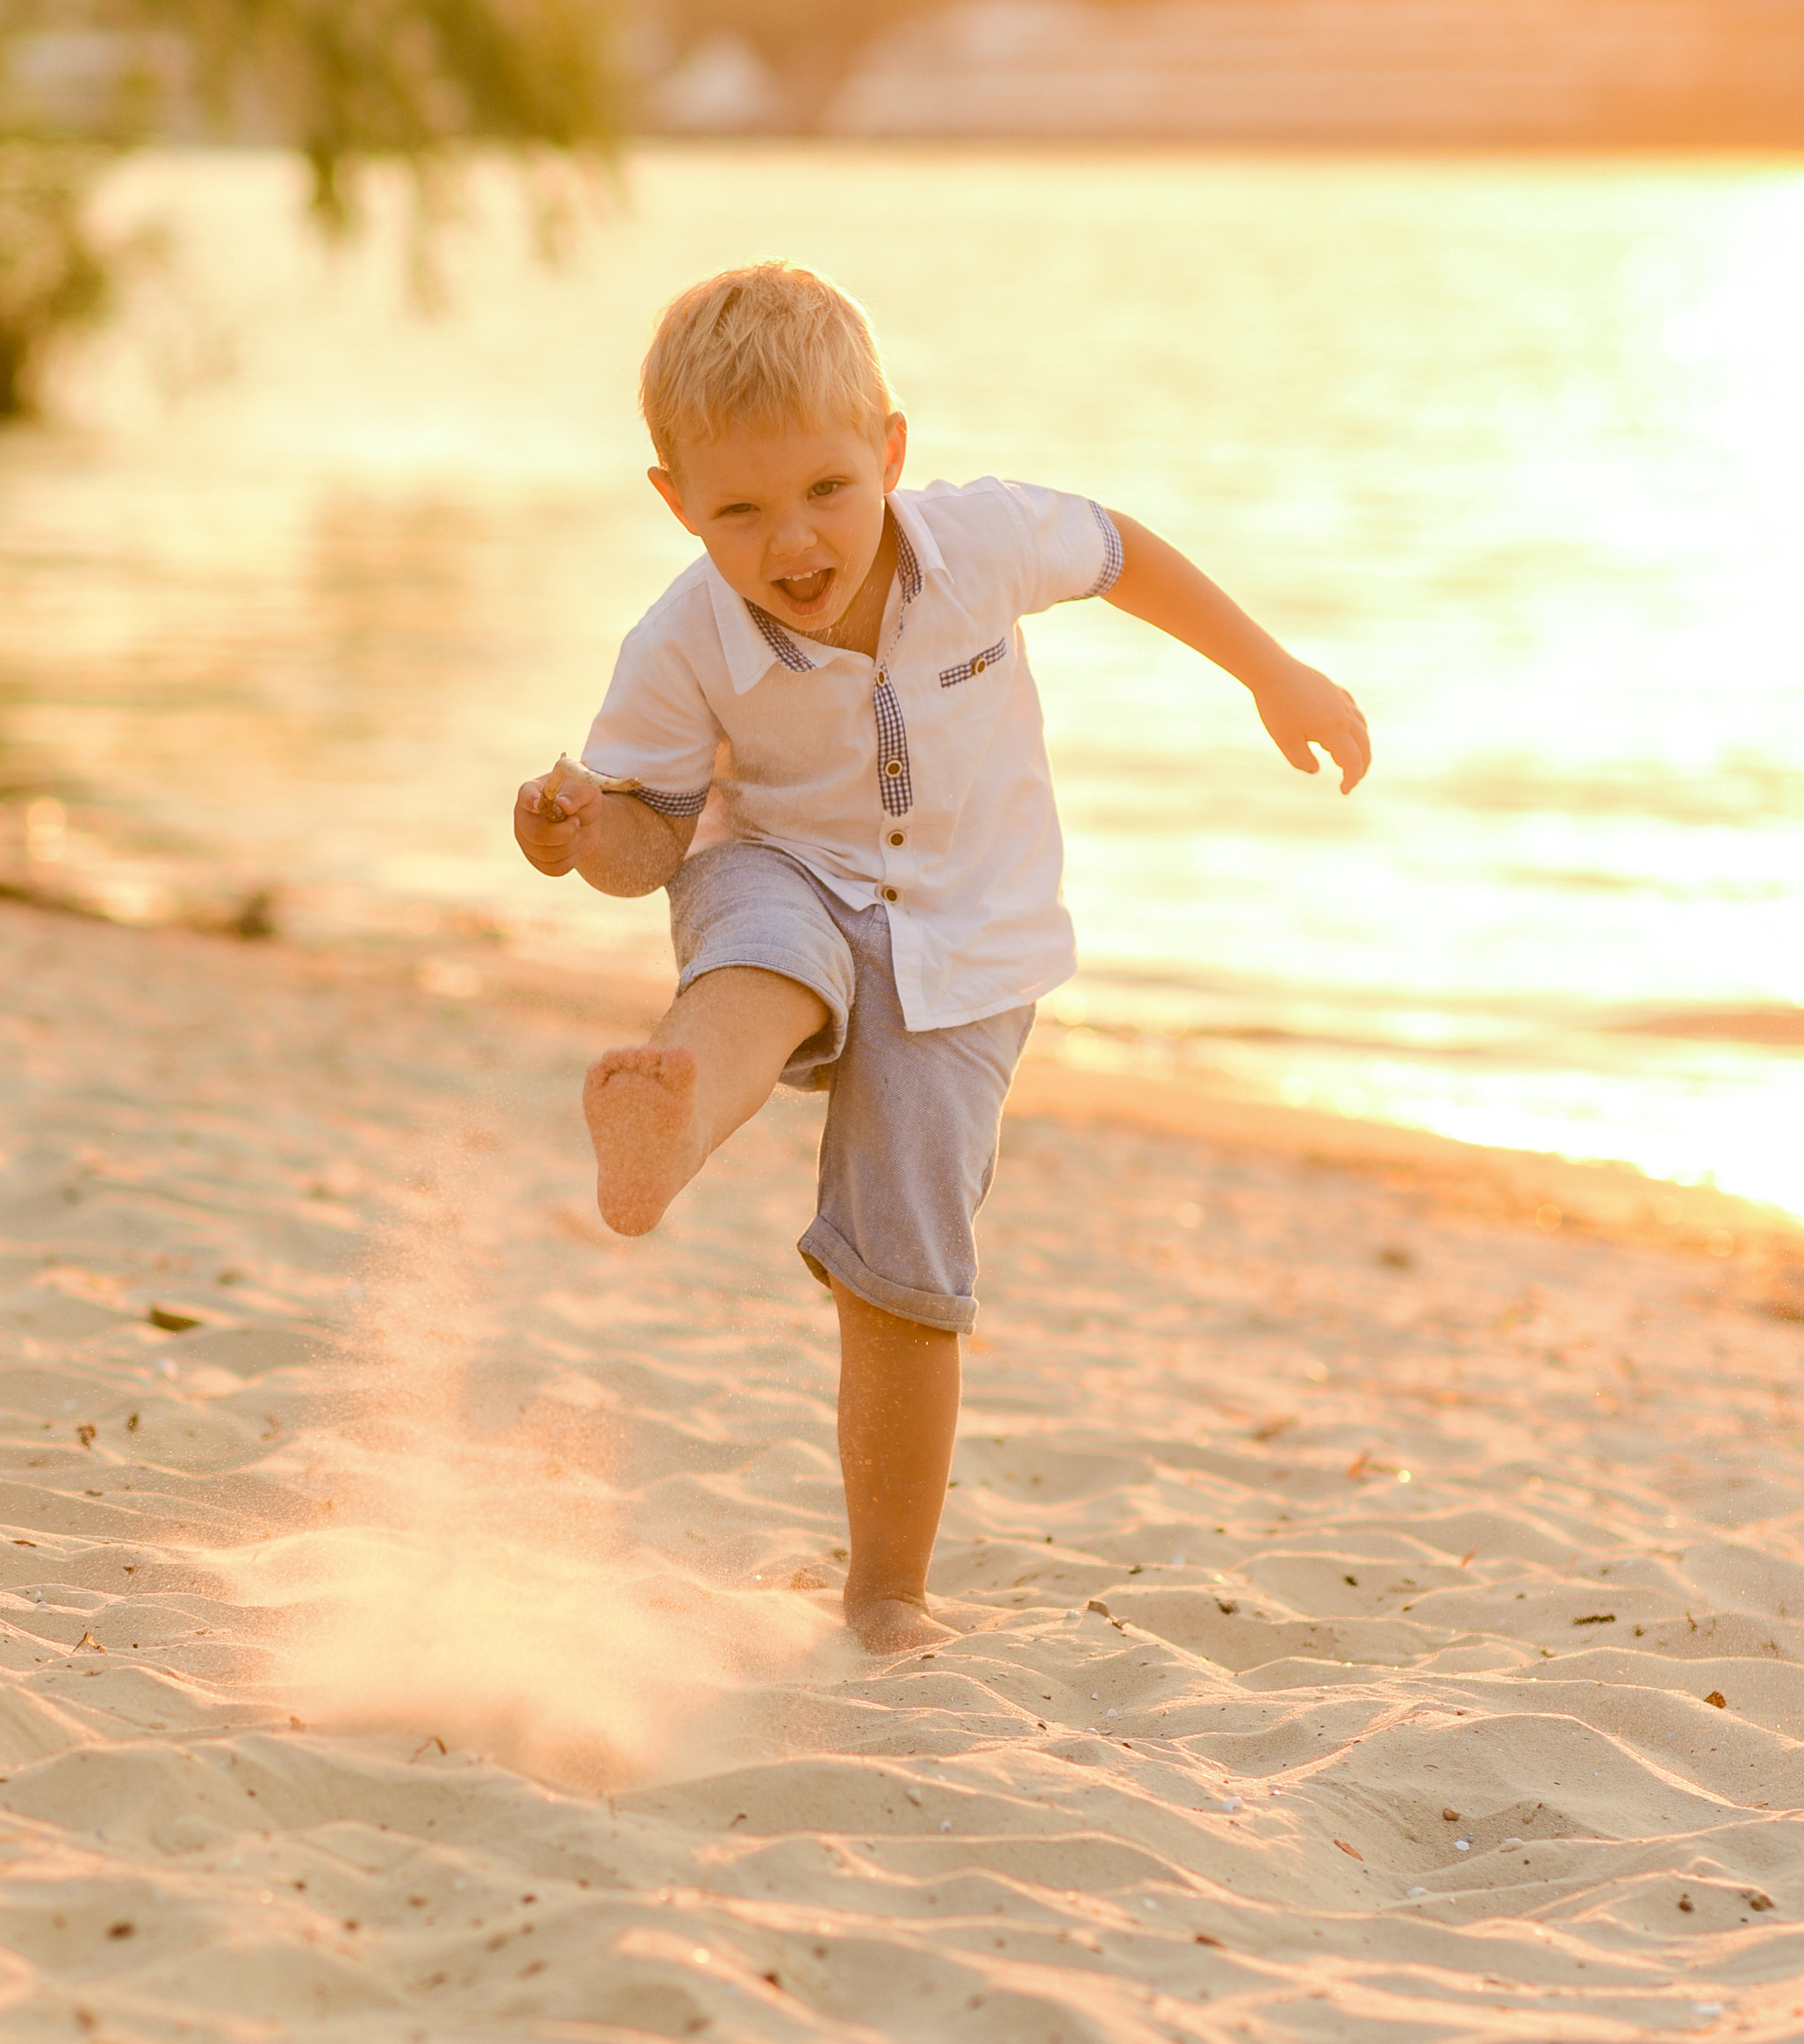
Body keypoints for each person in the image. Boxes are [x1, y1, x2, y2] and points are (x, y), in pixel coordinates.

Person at [513, 262, 1369, 1653]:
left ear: (891, 452)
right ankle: (669, 1120)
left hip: (970, 940)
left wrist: (1273, 670)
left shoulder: (980, 543)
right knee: (765, 959)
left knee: (905, 1266)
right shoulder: (679, 640)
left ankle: (886, 1593)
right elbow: (646, 847)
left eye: (828, 492)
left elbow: (1125, 551)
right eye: (740, 510)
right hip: (779, 865)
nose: (793, 542)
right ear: (675, 502)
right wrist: (571, 831)